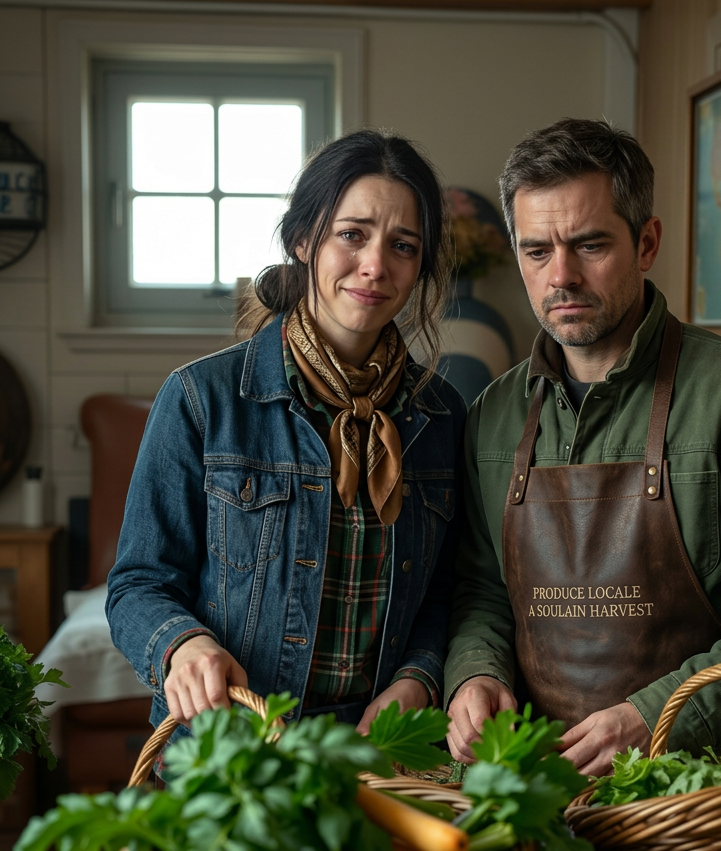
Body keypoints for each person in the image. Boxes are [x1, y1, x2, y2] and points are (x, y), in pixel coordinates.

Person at [445, 117, 721, 774]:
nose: (562, 277)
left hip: (702, 788)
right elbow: (482, 589)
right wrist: (474, 673)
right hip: (534, 779)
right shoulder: (492, 415)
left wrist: (662, 715)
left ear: (647, 243)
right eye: (537, 251)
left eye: (590, 245)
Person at [108, 129, 466, 737]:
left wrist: (420, 677)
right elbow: (139, 585)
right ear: (304, 240)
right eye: (351, 234)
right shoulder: (202, 399)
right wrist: (183, 645)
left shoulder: (442, 417)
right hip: (232, 756)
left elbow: (446, 592)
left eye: (403, 246)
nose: (375, 266)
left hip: (377, 763)